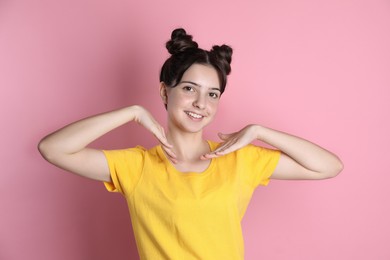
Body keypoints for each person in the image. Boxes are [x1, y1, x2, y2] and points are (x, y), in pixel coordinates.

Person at [38, 28, 343, 260]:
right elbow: (53, 148)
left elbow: (329, 166)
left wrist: (260, 131)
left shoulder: (240, 159)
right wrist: (132, 113)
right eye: (189, 88)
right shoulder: (136, 166)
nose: (201, 103)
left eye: (212, 94)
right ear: (164, 92)